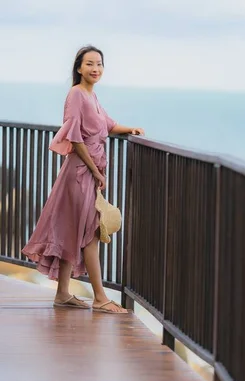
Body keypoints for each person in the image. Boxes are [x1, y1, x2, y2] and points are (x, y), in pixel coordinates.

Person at [22, 45, 144, 314]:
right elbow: (75, 138)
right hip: (80, 173)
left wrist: (130, 129)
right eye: (89, 64)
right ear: (79, 68)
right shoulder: (76, 94)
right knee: (90, 233)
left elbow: (108, 125)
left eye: (99, 64)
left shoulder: (92, 95)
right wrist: (96, 171)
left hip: (86, 173)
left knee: (73, 229)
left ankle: (63, 294)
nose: (95, 68)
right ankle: (100, 297)